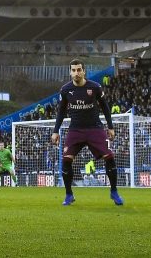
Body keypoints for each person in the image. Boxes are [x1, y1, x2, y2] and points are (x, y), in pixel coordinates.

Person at [50, 59, 123, 206]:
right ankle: (69, 194)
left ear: (84, 71)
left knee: (109, 156)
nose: (76, 73)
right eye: (73, 70)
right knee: (66, 160)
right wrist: (55, 131)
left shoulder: (95, 87)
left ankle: (114, 191)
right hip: (75, 130)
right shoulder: (65, 90)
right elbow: (61, 111)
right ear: (70, 72)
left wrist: (110, 127)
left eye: (79, 70)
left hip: (95, 129)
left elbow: (105, 107)